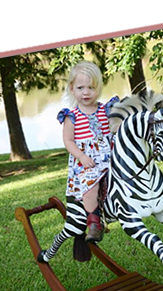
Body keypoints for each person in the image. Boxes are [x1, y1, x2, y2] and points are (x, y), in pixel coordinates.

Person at [57, 61, 118, 243]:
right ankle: (94, 222)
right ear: (72, 88)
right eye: (80, 87)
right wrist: (81, 156)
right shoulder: (72, 116)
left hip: (110, 157)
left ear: (98, 87)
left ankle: (148, 196)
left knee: (131, 169)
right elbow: (68, 141)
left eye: (91, 87)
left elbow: (115, 129)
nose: (86, 92)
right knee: (90, 187)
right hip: (88, 162)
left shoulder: (105, 110)